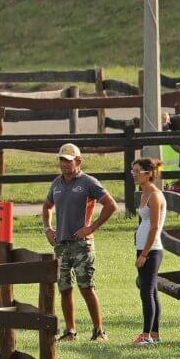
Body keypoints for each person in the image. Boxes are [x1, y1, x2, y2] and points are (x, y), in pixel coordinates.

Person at [41, 143, 118, 342]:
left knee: (86, 287)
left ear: (78, 161)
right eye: (61, 160)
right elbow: (47, 206)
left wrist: (91, 228)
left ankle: (99, 331)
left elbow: (111, 205)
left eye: (68, 160)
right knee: (64, 289)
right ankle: (70, 331)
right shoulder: (56, 184)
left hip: (82, 245)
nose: (64, 164)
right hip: (61, 245)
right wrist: (48, 229)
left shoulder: (88, 182)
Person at [131, 158, 166, 346]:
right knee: (151, 291)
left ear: (149, 174)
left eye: (137, 171)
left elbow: (154, 227)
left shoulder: (154, 195)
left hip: (151, 250)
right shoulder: (144, 193)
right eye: (133, 171)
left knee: (146, 292)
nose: (134, 174)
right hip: (143, 248)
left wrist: (144, 254)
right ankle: (154, 334)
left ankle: (147, 336)